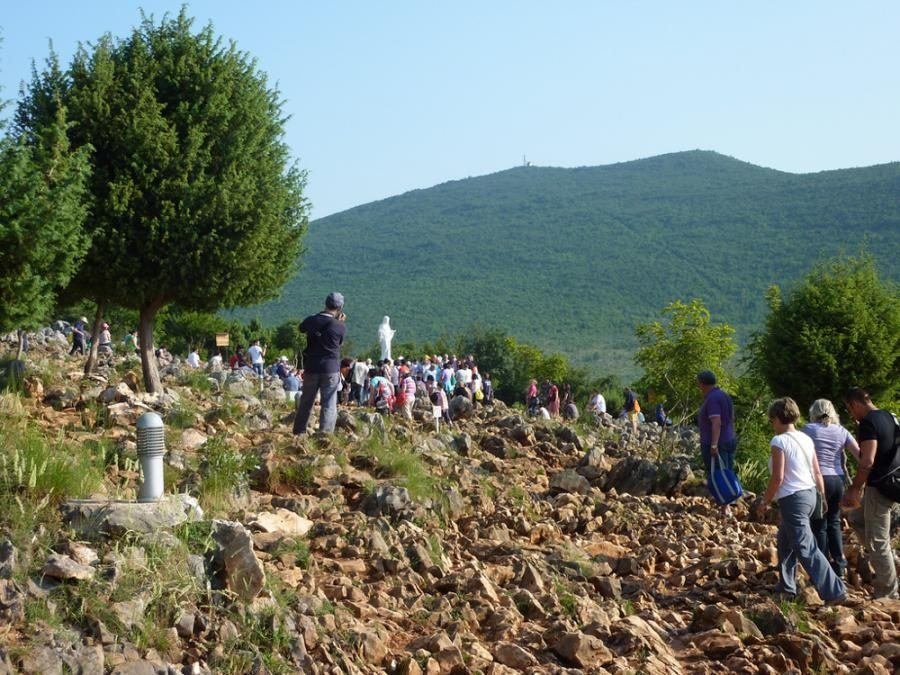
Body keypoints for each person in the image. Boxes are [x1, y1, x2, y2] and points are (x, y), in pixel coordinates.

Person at [755, 397, 847, 604]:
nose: (772, 424)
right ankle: (786, 587)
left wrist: (765, 501)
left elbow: (777, 477)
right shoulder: (805, 439)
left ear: (778, 418)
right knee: (785, 540)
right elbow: (816, 471)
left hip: (793, 498)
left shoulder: (779, 441)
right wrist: (821, 497)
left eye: (772, 419)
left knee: (806, 547)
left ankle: (835, 590)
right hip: (810, 494)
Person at [841, 388, 899, 599]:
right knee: (856, 518)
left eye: (850, 409)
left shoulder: (868, 423)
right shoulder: (889, 416)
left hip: (879, 487)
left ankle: (888, 593)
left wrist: (855, 488)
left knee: (877, 541)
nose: (851, 414)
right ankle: (886, 561)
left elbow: (867, 461)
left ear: (854, 404)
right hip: (893, 483)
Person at [802, 399, 860, 578]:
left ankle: (823, 567)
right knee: (834, 522)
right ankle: (840, 565)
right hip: (837, 480)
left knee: (819, 524)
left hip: (818, 480)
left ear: (814, 412)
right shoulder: (841, 431)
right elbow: (859, 454)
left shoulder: (808, 429)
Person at [292, 292, 347, 435]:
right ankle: (325, 434)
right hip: (330, 368)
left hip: (311, 366)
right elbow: (338, 344)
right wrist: (339, 323)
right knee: (328, 402)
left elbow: (301, 328)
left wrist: (314, 320)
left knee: (306, 401)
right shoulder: (340, 326)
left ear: (325, 303)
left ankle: (299, 432)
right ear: (340, 307)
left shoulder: (312, 320)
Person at [696, 371, 737, 478]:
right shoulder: (724, 395)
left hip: (718, 443)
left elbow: (716, 422)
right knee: (728, 473)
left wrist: (714, 445)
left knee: (719, 476)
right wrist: (732, 435)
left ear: (702, 383)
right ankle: (733, 493)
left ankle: (722, 495)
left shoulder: (712, 399)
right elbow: (732, 418)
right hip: (728, 439)